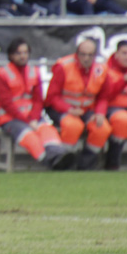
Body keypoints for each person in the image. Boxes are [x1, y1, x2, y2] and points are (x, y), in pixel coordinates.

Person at [0, 37, 74, 169]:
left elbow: (38, 100)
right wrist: (27, 121)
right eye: (19, 53)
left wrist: (34, 117)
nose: (23, 56)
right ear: (11, 55)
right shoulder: (2, 74)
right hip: (10, 118)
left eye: (25, 52)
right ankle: (52, 162)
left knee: (48, 131)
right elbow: (6, 103)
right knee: (30, 137)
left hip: (33, 117)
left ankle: (59, 155)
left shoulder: (34, 71)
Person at [44, 39, 110, 171]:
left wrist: (100, 113)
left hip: (87, 110)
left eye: (90, 55)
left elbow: (104, 97)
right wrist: (69, 109)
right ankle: (63, 161)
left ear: (95, 56)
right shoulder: (63, 66)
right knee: (73, 126)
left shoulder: (102, 69)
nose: (86, 58)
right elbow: (52, 97)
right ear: (76, 54)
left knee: (102, 128)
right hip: (61, 108)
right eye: (83, 54)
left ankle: (86, 164)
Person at [93, 40, 127, 171]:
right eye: (124, 53)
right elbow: (104, 95)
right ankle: (113, 163)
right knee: (123, 121)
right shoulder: (105, 69)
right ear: (116, 54)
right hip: (114, 108)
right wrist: (123, 81)